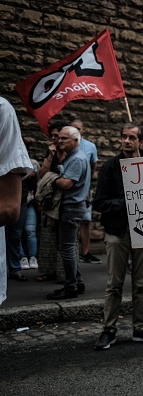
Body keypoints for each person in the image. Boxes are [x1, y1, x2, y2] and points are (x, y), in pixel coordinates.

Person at [93, 122, 143, 350]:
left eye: (132, 138)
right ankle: (108, 329)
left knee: (141, 284)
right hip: (116, 232)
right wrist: (127, 202)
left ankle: (141, 328)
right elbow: (100, 203)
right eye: (124, 137)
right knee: (114, 284)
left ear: (141, 142)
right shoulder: (110, 167)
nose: (126, 141)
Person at [46, 126, 90, 300]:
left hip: (71, 206)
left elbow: (67, 184)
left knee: (66, 248)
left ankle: (71, 285)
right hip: (72, 206)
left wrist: (52, 178)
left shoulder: (77, 159)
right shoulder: (73, 156)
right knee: (67, 247)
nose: (60, 141)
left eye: (64, 138)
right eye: (60, 138)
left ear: (75, 141)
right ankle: (77, 282)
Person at [0, 96, 34, 299]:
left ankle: (17, 267)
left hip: (26, 204)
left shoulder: (2, 110)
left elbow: (8, 208)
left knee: (24, 234)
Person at [36, 122, 67, 282]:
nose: (55, 139)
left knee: (65, 238)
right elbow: (41, 175)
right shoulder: (51, 153)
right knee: (48, 236)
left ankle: (64, 273)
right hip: (50, 201)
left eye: (58, 136)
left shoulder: (71, 154)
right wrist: (49, 155)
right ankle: (47, 271)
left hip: (65, 202)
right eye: (53, 136)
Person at [71, 119, 101, 265]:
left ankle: (86, 252)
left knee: (86, 220)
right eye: (73, 128)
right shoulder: (67, 144)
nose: (75, 130)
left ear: (83, 130)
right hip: (69, 189)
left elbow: (93, 165)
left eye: (78, 128)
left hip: (85, 189)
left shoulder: (90, 147)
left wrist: (87, 180)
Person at [18, 141, 40, 270]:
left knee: (30, 231)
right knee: (17, 232)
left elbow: (38, 183)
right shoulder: (13, 164)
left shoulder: (33, 163)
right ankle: (22, 257)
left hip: (30, 200)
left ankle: (33, 257)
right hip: (18, 200)